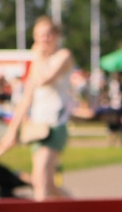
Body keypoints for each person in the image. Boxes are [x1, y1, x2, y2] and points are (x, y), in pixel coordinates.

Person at [8, 16, 77, 201]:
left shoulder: (63, 56)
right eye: (39, 35)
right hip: (38, 125)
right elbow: (27, 95)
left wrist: (37, 57)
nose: (43, 39)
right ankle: (76, 209)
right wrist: (13, 129)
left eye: (47, 34)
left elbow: (45, 79)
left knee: (40, 178)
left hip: (55, 123)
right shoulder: (38, 61)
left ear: (56, 35)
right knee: (46, 183)